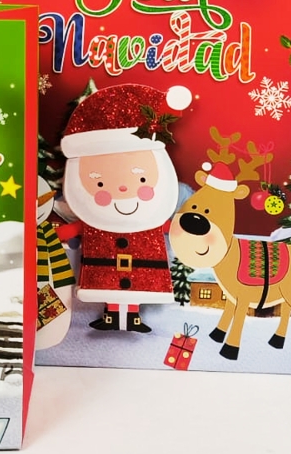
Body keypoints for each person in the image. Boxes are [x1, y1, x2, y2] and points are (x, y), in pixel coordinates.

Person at [58, 83, 191, 332]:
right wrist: (57, 233)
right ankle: (111, 317)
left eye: (142, 178)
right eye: (99, 183)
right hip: (102, 267)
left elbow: (169, 227)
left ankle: (132, 318)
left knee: (134, 289)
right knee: (109, 288)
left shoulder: (153, 216)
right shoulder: (93, 218)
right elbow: (75, 228)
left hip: (144, 266)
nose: (121, 189)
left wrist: (180, 230)